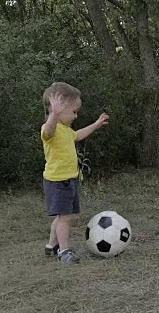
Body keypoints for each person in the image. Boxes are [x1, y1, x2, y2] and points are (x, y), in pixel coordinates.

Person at [40, 82, 109, 264]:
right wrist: (53, 114)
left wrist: (95, 125)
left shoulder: (66, 130)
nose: (76, 115)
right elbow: (48, 131)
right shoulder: (50, 130)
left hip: (70, 180)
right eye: (73, 111)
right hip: (57, 181)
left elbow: (77, 135)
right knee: (64, 218)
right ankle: (64, 252)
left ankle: (51, 246)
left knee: (61, 216)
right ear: (58, 109)